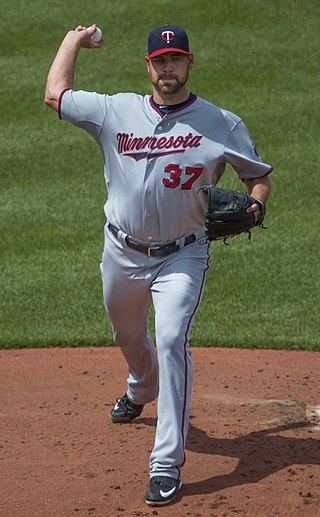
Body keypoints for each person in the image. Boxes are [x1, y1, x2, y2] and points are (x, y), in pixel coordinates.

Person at [44, 23, 272, 506]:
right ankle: (140, 385)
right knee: (128, 335)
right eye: (160, 61)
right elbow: (55, 95)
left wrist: (256, 204)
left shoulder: (221, 122)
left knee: (170, 339)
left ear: (191, 63)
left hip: (183, 255)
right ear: (148, 67)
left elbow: (257, 176)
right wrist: (72, 40)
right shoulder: (115, 111)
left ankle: (165, 464)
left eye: (176, 59)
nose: (168, 69)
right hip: (121, 253)